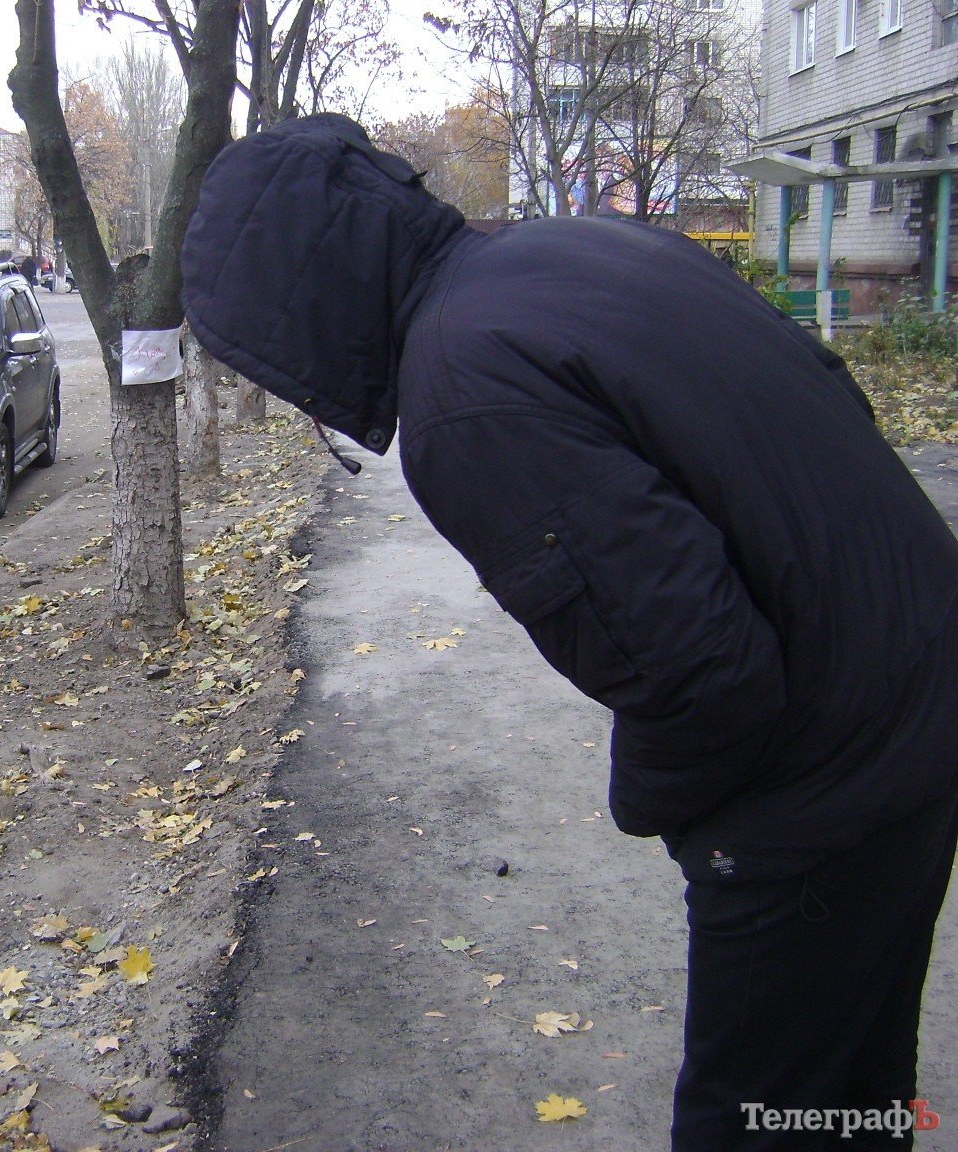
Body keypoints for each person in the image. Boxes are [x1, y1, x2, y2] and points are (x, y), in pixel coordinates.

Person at [181, 113, 958, 1151]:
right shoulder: (571, 246)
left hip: (830, 778)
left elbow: (700, 674)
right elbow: (824, 392)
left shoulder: (464, 394)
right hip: (916, 681)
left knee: (757, 1121)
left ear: (298, 304)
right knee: (846, 1095)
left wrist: (663, 811)